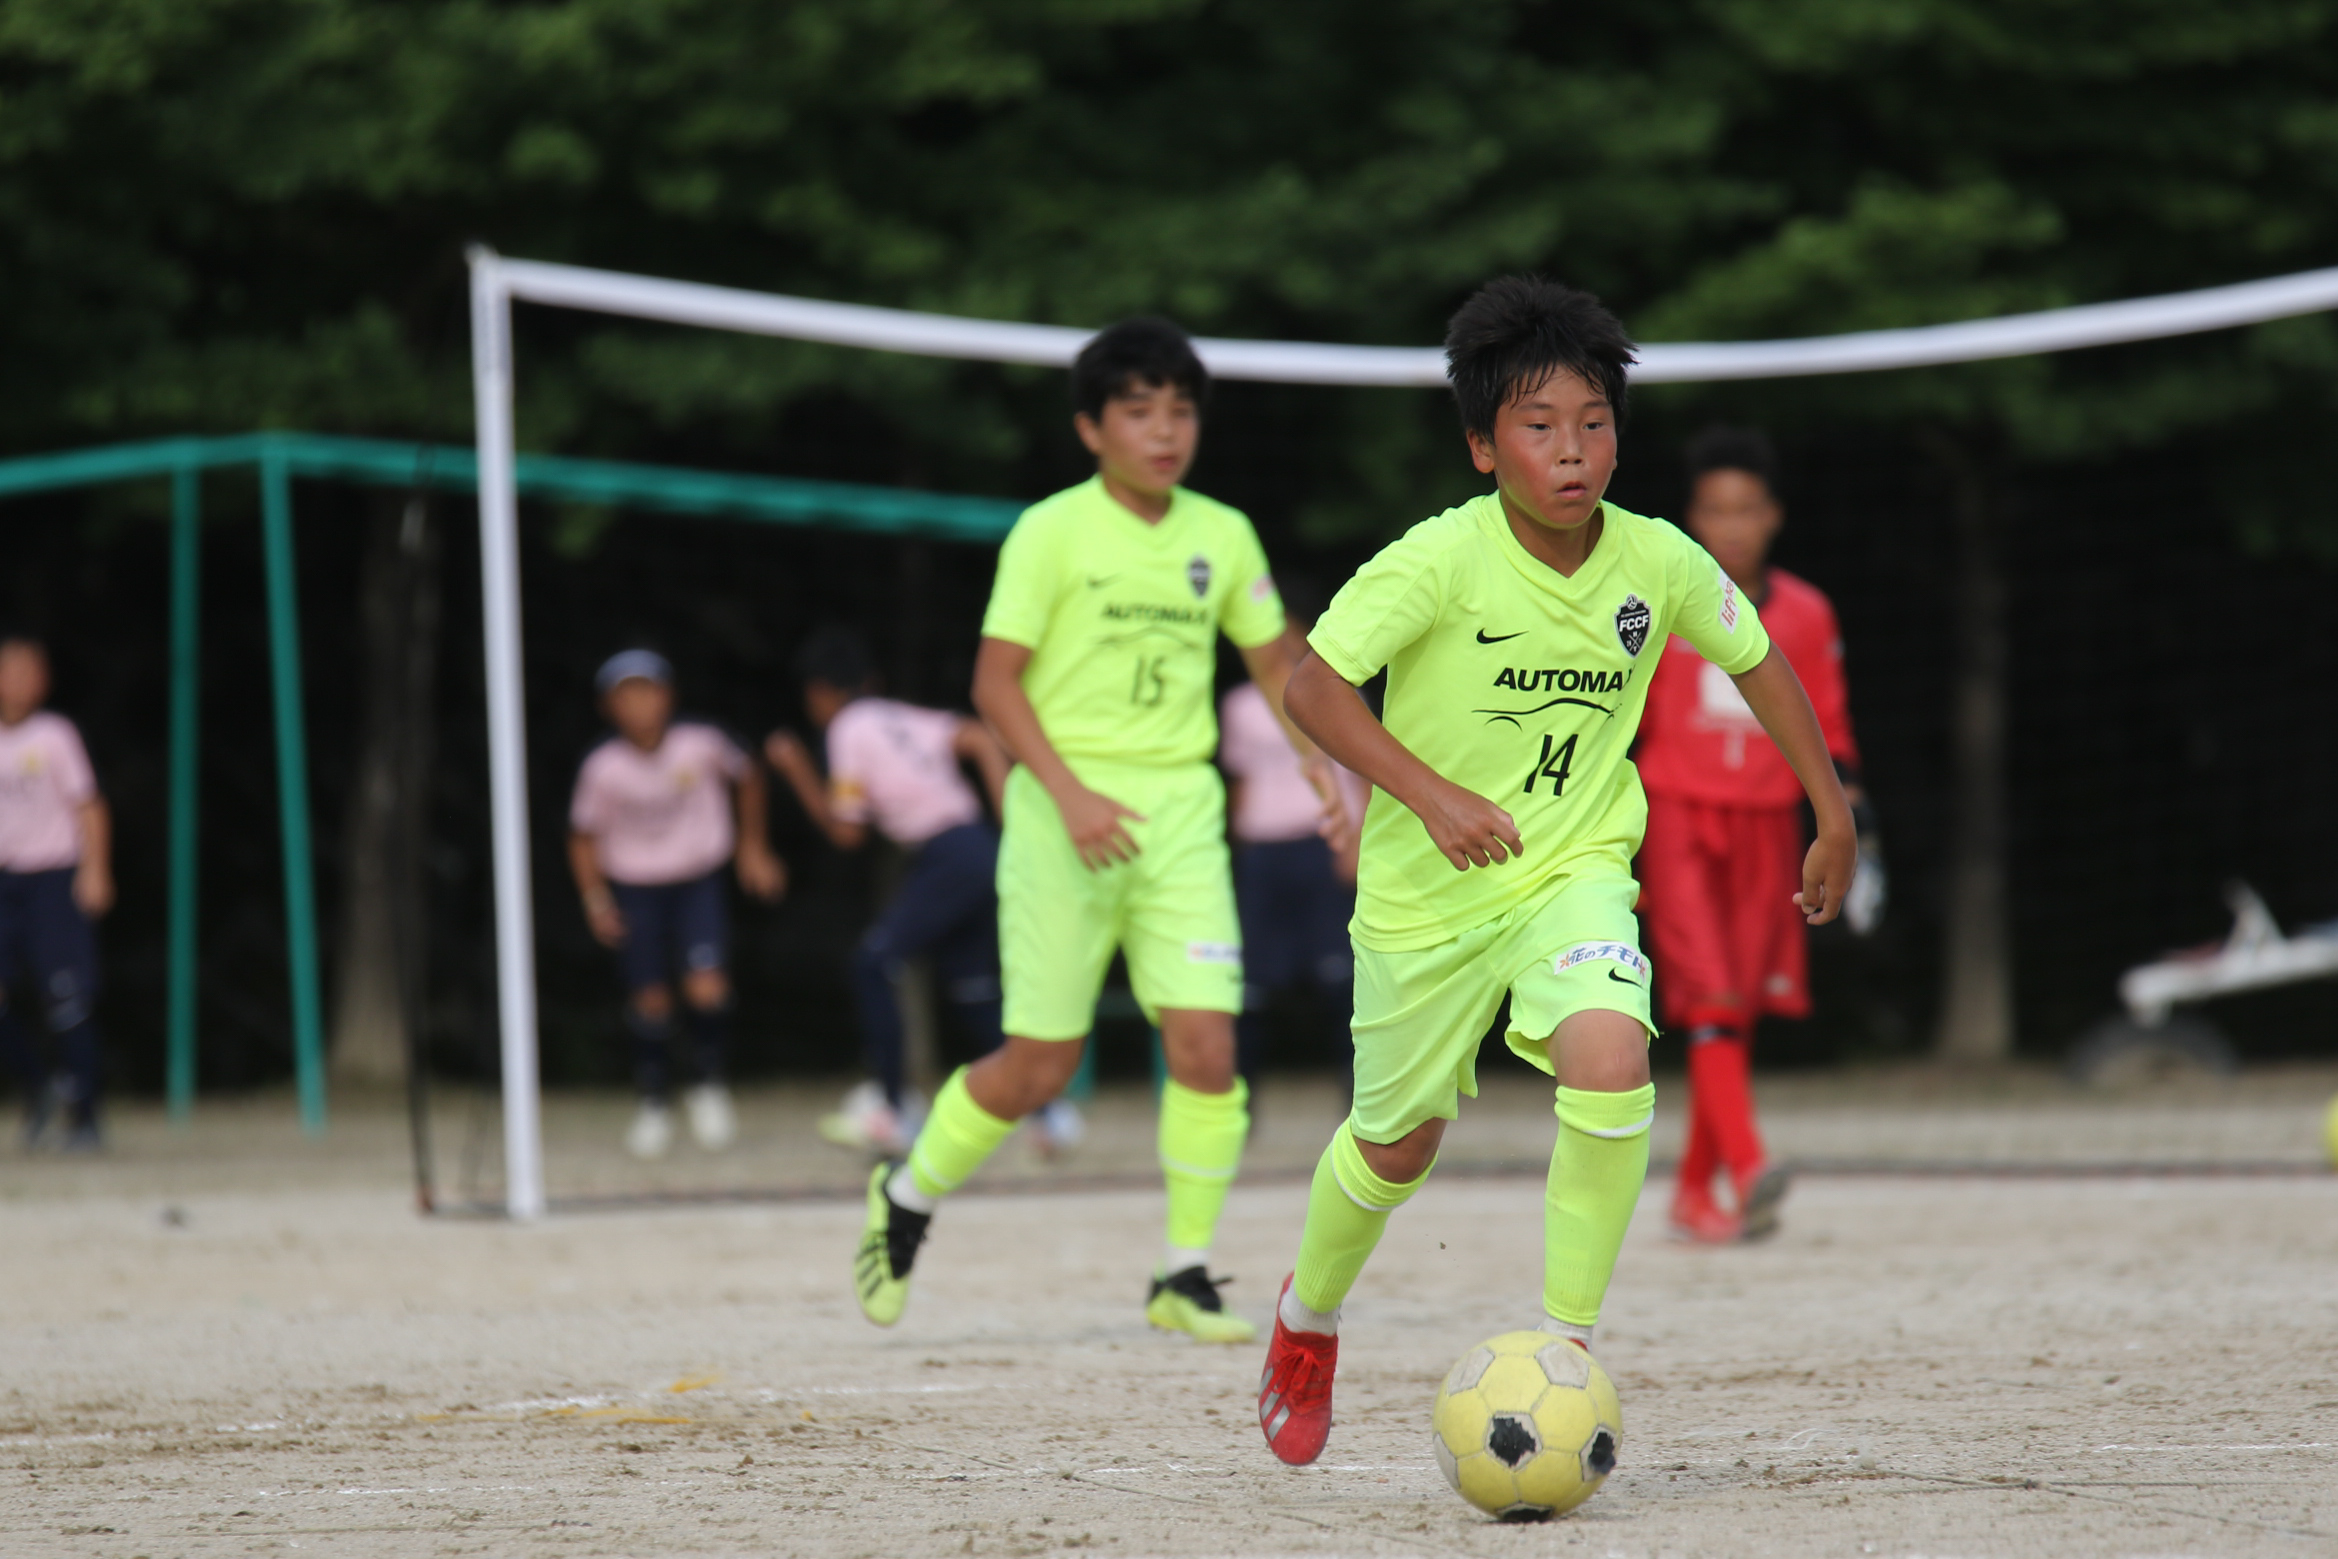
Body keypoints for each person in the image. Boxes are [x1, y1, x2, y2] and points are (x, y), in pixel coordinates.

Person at [1252, 276, 1857, 1466]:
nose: (1572, 449)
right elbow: (1311, 687)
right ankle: (1306, 1317)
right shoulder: (1438, 558)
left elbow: (1757, 658)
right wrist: (1428, 795)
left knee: (1611, 1051)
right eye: (1538, 426)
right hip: (1425, 900)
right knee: (1396, 1143)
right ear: (1483, 446)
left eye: (1592, 422)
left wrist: (1829, 808)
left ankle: (1565, 1347)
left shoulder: (1657, 557)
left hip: (1569, 870)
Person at [852, 316, 1345, 1343]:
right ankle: (905, 1195)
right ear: (1090, 428)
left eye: (1181, 410)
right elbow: (994, 683)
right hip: (1059, 817)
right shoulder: (1050, 531)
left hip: (1181, 818)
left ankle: (1183, 1270)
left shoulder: (1223, 533)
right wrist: (1072, 795)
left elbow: (1274, 663)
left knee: (1207, 1044)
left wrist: (1324, 766)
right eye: (1138, 410)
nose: (1164, 430)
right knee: (1037, 1063)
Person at [1635, 426, 1880, 1245]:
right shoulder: (1656, 600)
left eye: (1746, 510)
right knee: (1708, 993)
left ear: (1773, 515)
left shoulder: (1807, 614)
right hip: (1676, 813)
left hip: (1769, 822)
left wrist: (1852, 818)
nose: (1731, 526)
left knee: (1735, 1007)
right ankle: (1747, 1164)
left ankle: (1691, 1193)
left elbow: (1830, 725)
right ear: (1692, 517)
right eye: (1715, 510)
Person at [766, 626, 1081, 1159]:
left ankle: (892, 1109)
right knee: (974, 991)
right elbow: (979, 736)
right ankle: (1048, 1116)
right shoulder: (896, 715)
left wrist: (798, 773)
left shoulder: (845, 729)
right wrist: (1010, 820)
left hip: (946, 854)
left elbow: (848, 832)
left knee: (873, 963)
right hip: (978, 847)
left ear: (820, 692)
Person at [568, 649, 784, 1160]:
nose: (639, 704)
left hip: (697, 881)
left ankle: (708, 1086)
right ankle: (654, 1101)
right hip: (635, 887)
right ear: (607, 707)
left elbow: (749, 773)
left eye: (648, 691)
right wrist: (595, 901)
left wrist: (753, 846)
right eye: (626, 695)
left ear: (668, 696)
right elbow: (582, 836)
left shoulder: (701, 742)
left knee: (708, 986)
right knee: (650, 999)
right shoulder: (602, 767)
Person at [1218, 589, 1366, 1094]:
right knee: (1252, 981)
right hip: (1264, 851)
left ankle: (1358, 1097)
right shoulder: (1239, 706)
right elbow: (1240, 782)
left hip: (1323, 843)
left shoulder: (1339, 693)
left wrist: (1357, 843)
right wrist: (1238, 850)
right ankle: (1240, 1101)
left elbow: (1363, 776)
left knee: (1340, 975)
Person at [0, 634, 112, 1150]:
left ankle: (86, 1116)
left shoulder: (55, 736)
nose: (19, 682)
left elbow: (89, 805)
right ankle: (38, 1086)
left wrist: (96, 870)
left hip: (53, 877)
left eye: (29, 672)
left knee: (66, 997)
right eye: (10, 671)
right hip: (4, 881)